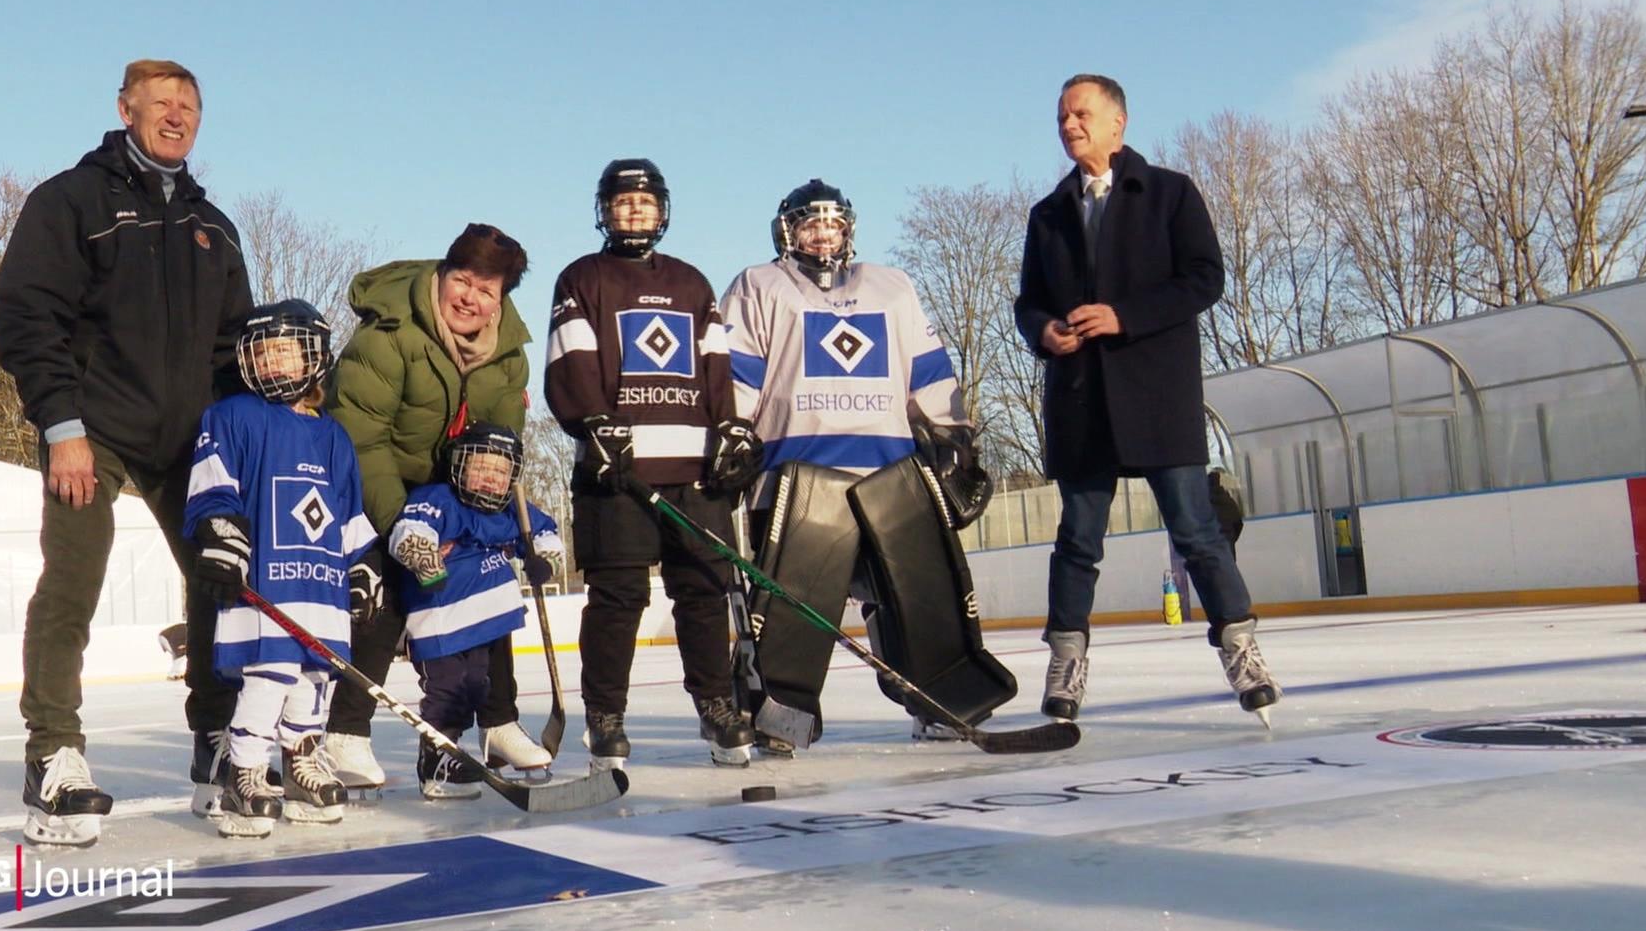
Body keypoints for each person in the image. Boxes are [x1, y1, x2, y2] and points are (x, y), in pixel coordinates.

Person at [0, 59, 253, 847]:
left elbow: (234, 349)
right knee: (73, 582)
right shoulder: (73, 201)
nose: (175, 117)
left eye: (189, 107)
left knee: (220, 580)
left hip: (188, 440)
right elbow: (25, 312)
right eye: (160, 104)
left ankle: (216, 747)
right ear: (125, 109)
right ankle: (54, 757)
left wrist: (241, 439)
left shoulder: (214, 226)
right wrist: (60, 425)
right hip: (92, 428)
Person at [1014, 73, 1281, 726]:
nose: (1069, 126)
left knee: (1196, 531)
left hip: (1159, 398)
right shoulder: (1048, 214)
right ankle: (1066, 663)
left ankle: (1241, 649)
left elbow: (1205, 278)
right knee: (1078, 539)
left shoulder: (1169, 194)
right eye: (1061, 118)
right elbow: (1028, 302)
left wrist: (1124, 316)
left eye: (1080, 114)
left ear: (1116, 123)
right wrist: (1044, 331)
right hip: (1080, 402)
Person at [721, 180, 1007, 753]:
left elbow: (927, 372)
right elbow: (738, 373)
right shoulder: (760, 284)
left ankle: (937, 700)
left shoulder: (892, 286)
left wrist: (954, 436)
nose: (822, 234)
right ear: (787, 231)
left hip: (889, 473)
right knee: (791, 609)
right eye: (810, 224)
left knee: (913, 601)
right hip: (794, 476)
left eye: (832, 224)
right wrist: (731, 432)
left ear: (848, 229)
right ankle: (783, 715)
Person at [545, 158, 760, 770]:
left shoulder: (692, 283)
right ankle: (605, 714)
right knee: (618, 598)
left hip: (695, 473)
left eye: (644, 202)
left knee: (702, 594)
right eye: (622, 202)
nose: (634, 211)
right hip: (617, 475)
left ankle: (718, 706)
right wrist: (591, 422)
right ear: (603, 210)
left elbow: (716, 367)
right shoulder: (581, 278)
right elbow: (571, 361)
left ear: (663, 210)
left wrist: (732, 430)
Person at [323, 223, 547, 788]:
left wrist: (480, 520)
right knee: (389, 588)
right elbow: (360, 439)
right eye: (463, 280)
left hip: (448, 493)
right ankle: (345, 734)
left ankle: (490, 725)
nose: (470, 298)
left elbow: (499, 447)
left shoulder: (508, 356)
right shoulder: (389, 334)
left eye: (487, 289)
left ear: (502, 300)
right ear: (442, 275)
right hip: (367, 487)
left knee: (487, 577)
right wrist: (404, 526)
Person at [184, 300, 379, 837]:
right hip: (266, 581)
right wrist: (221, 535)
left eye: (284, 351)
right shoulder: (232, 417)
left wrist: (362, 568)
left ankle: (301, 763)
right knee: (269, 674)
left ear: (314, 357)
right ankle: (244, 770)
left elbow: (348, 512)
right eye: (261, 351)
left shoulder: (334, 435)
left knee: (317, 677)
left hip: (321, 583)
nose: (271, 362)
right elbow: (212, 485)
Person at [386, 423, 563, 799]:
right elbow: (411, 528)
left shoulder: (512, 509)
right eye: (481, 467)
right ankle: (438, 758)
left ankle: (498, 736)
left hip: (491, 619)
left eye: (500, 472)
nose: (490, 478)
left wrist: (542, 559)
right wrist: (424, 558)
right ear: (460, 466)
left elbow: (546, 533)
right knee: (449, 690)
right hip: (441, 619)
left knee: (483, 684)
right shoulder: (439, 498)